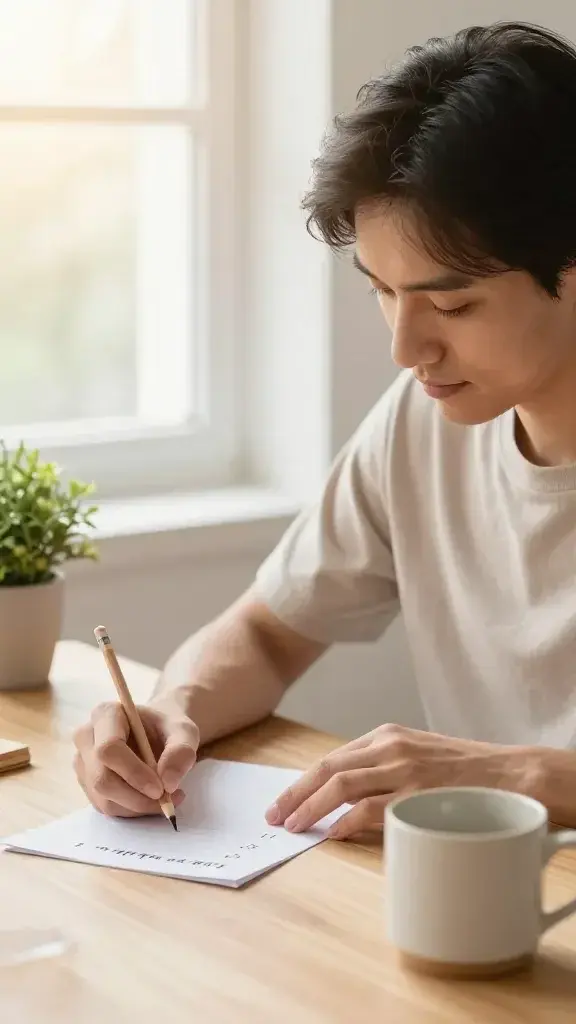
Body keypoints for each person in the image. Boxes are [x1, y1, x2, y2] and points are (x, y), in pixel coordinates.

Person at [75, 21, 576, 838]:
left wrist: (514, 774)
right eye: (382, 289)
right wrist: (172, 713)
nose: (405, 348)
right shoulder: (424, 422)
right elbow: (270, 632)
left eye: (451, 305)